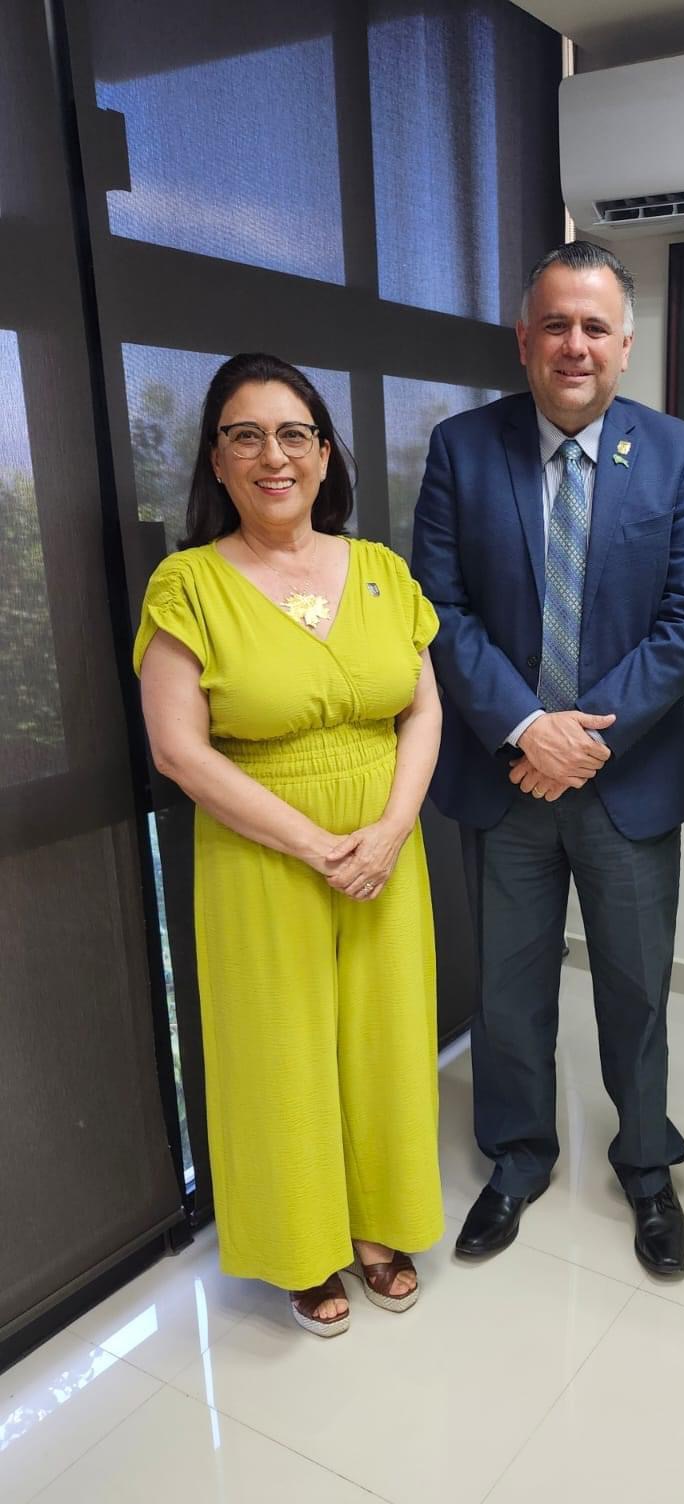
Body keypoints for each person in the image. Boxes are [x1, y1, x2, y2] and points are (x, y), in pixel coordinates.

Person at [412, 241, 684, 1276]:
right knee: (508, 991)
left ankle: (646, 1165)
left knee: (636, 990)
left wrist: (581, 741)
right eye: (556, 324)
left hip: (625, 784)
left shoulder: (677, 455)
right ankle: (518, 1156)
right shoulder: (462, 449)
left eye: (595, 326)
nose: (574, 344)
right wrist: (523, 726)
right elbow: (440, 608)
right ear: (524, 339)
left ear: (626, 344)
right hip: (504, 781)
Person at [135, 353, 444, 1336]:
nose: (274, 456)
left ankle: (379, 1225)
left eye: (294, 434)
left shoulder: (383, 570)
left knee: (386, 1036)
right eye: (247, 435)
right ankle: (303, 1248)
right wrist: (318, 845)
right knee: (280, 1049)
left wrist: (389, 830)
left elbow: (424, 709)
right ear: (217, 460)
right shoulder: (187, 584)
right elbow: (178, 751)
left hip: (387, 843)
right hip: (260, 849)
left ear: (324, 454)